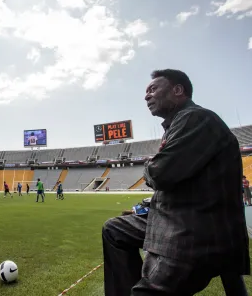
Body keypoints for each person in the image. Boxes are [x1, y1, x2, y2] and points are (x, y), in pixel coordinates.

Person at [102, 69, 250, 296]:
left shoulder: (196, 118)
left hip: (192, 232)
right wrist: (143, 208)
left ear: (178, 90)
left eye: (153, 89)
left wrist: (149, 165)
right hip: (181, 219)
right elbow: (184, 184)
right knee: (115, 230)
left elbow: (161, 174)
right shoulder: (179, 124)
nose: (146, 96)